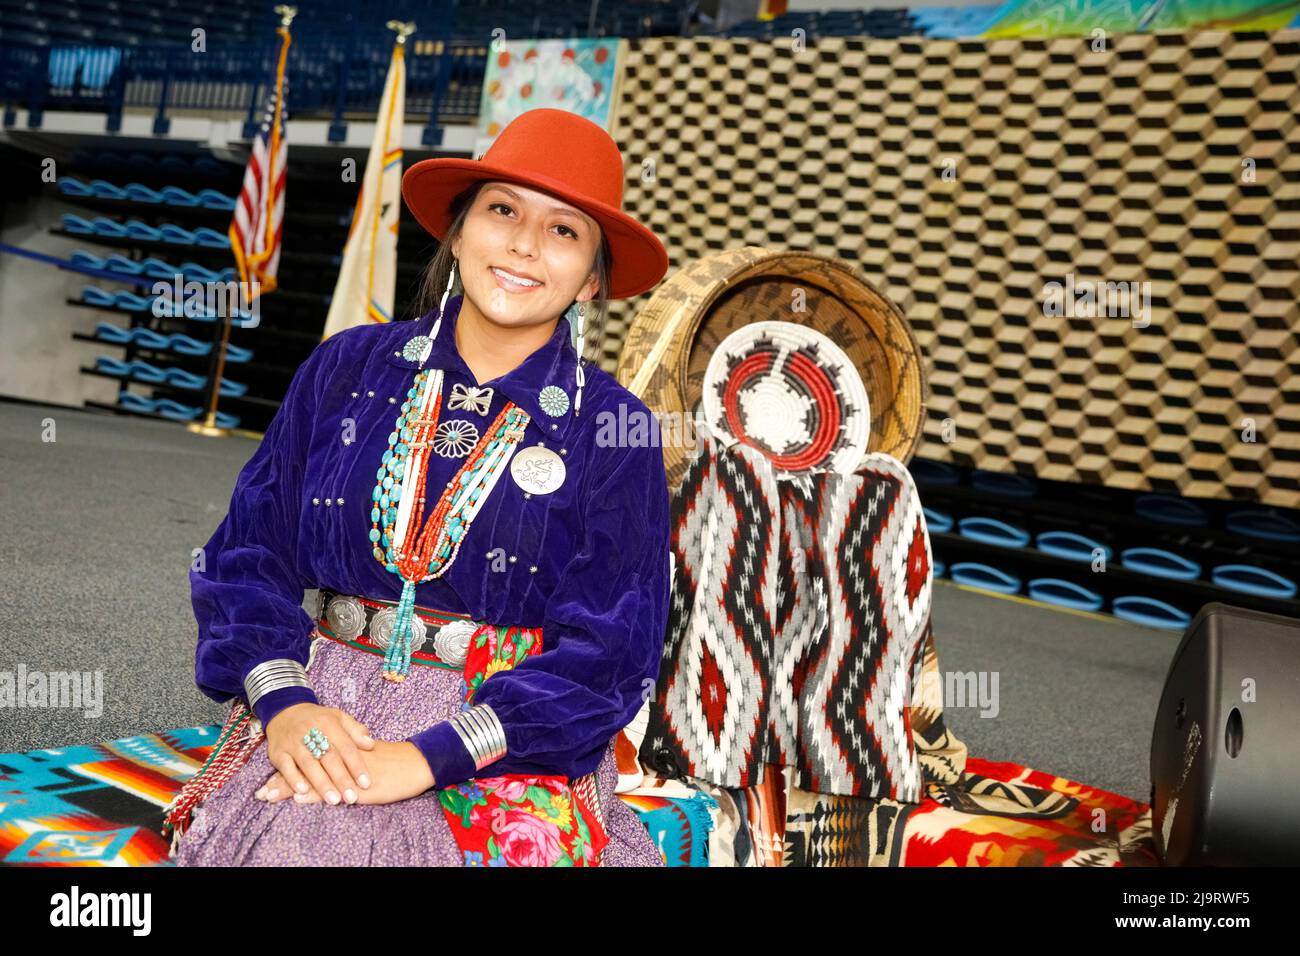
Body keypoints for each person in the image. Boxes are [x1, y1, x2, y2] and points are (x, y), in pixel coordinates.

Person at [168, 108, 674, 866]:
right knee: (307, 826)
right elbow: (245, 556)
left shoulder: (614, 429)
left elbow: (609, 654)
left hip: (508, 734)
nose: (525, 245)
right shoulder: (347, 369)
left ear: (594, 278)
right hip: (322, 698)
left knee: (328, 836)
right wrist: (282, 699)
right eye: (502, 210)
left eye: (564, 231)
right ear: (459, 228)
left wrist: (429, 757)